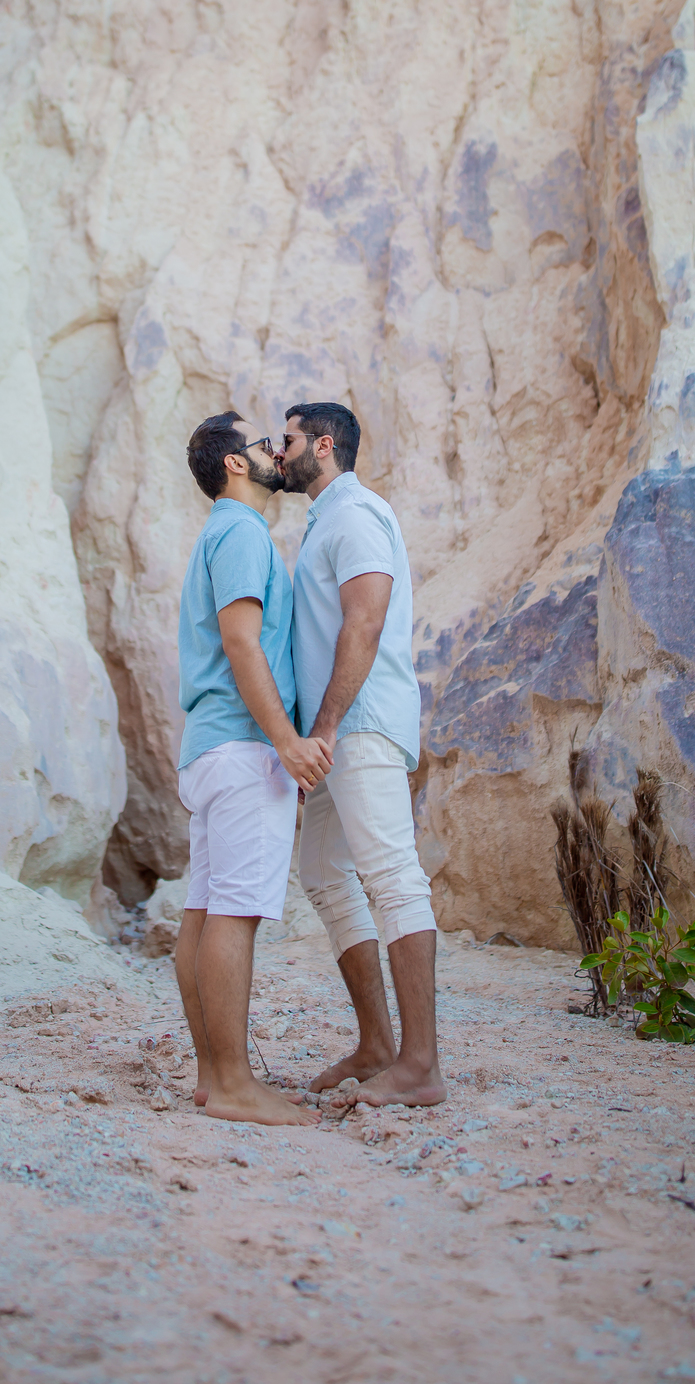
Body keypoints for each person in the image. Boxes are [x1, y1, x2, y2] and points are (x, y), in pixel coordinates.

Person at [278, 401, 446, 1107]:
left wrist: (325, 727)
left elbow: (366, 619)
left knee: (391, 876)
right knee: (320, 868)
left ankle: (421, 1065)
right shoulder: (325, 522)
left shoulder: (355, 513)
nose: (276, 451)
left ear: (323, 446)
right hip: (333, 732)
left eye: (285, 440)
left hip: (358, 724)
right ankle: (378, 1044)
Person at [174, 411, 330, 1126]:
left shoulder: (219, 535)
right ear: (236, 464)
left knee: (205, 913)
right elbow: (243, 642)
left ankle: (214, 1077)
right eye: (263, 444)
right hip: (242, 747)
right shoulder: (240, 532)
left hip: (212, 746)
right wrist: (288, 743)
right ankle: (235, 1085)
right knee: (235, 912)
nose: (275, 453)